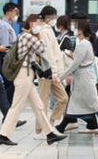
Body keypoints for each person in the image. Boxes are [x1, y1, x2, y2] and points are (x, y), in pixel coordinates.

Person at [0, 14, 67, 146]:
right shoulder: (28, 37)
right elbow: (43, 48)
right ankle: (3, 135)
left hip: (26, 76)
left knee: (39, 106)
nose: (40, 28)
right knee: (16, 107)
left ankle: (50, 134)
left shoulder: (23, 36)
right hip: (24, 75)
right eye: (38, 25)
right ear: (31, 24)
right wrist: (40, 36)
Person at [54, 20, 98, 135]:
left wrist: (61, 77)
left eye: (75, 27)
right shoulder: (85, 43)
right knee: (77, 102)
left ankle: (62, 126)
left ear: (81, 30)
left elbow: (75, 64)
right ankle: (62, 126)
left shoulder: (83, 44)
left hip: (84, 78)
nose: (73, 29)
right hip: (83, 77)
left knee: (93, 103)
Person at [35, 6, 68, 140]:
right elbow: (48, 53)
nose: (55, 19)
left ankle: (50, 124)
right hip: (47, 72)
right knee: (42, 101)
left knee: (63, 98)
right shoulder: (45, 30)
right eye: (54, 16)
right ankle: (38, 132)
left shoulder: (47, 30)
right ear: (49, 16)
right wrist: (53, 72)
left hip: (52, 72)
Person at [0, 2, 19, 104]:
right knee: (10, 84)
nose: (16, 15)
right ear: (10, 12)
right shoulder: (4, 26)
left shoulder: (7, 25)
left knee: (10, 85)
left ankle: (8, 112)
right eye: (16, 12)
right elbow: (4, 45)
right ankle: (7, 110)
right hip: (5, 57)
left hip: (7, 56)